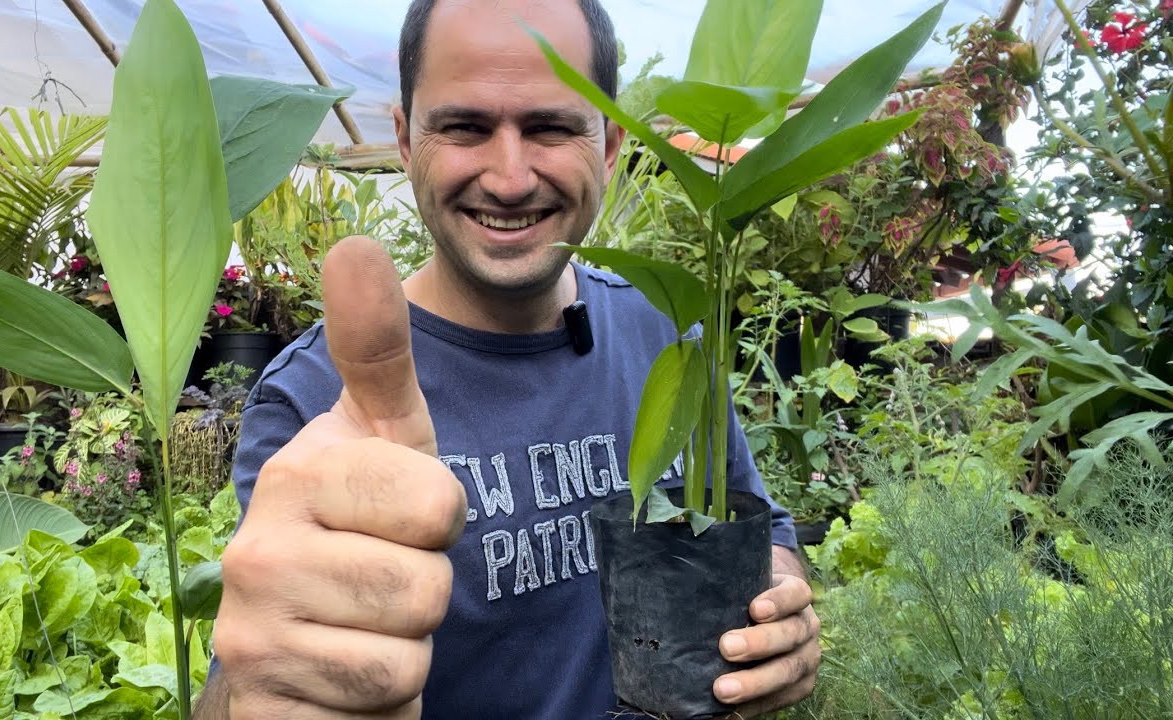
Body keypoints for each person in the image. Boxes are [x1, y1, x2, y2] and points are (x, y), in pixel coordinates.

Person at [195, 0, 820, 718]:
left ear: (609, 146)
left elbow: (769, 534)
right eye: (464, 127)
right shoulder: (315, 399)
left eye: (551, 126)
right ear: (404, 141)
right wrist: (254, 688)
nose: (510, 178)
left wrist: (780, 607)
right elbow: (260, 669)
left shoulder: (667, 332)